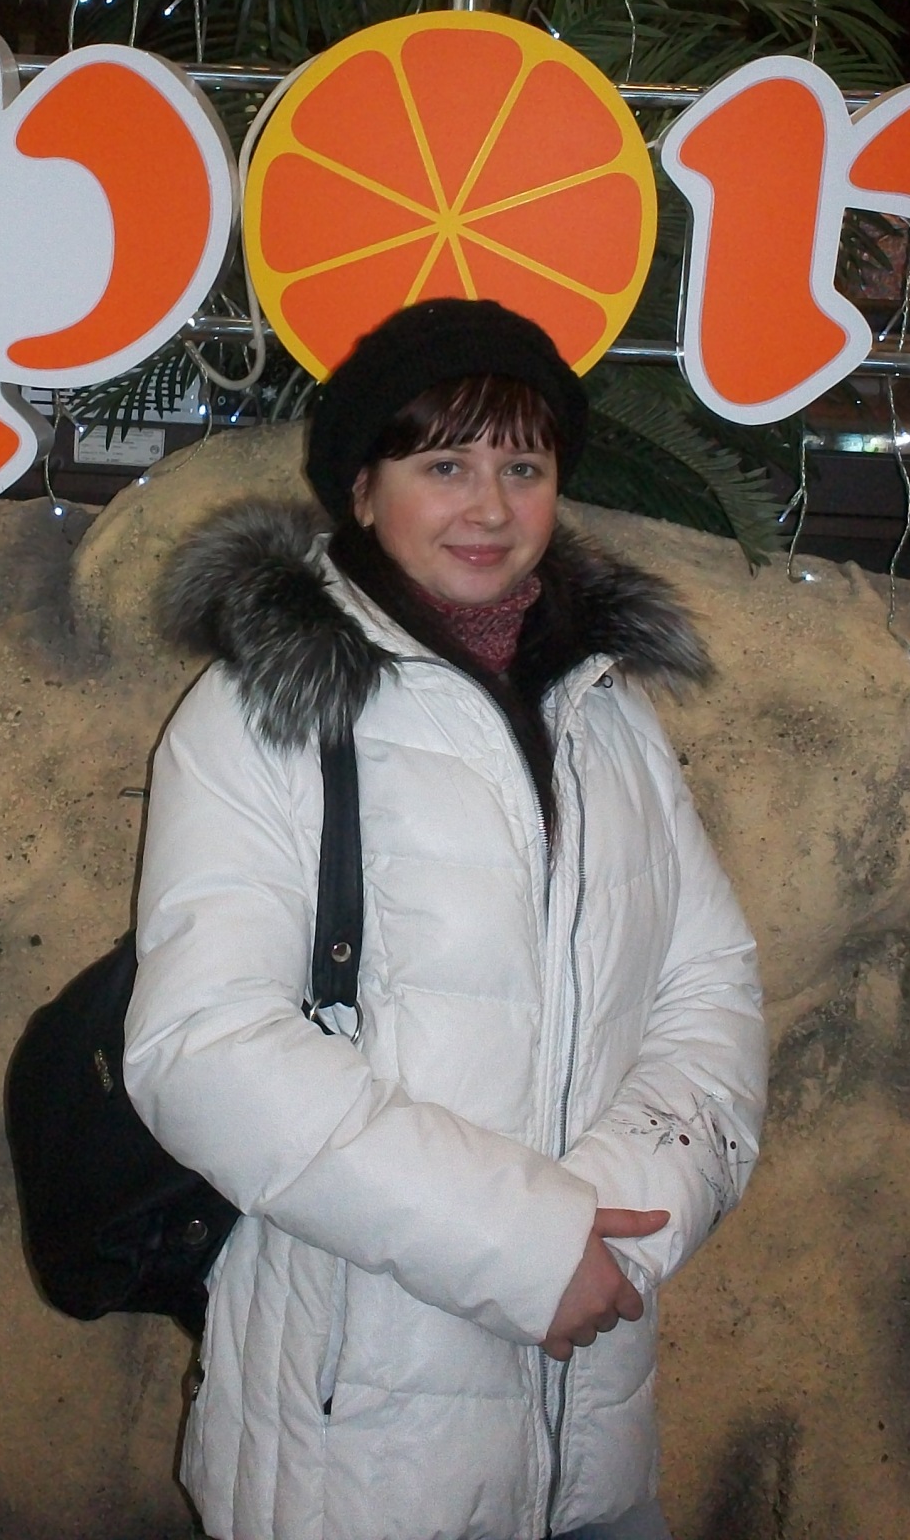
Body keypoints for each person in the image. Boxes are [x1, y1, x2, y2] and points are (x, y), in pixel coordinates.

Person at [124, 298, 766, 1540]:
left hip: (594, 1429)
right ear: (363, 490)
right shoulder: (263, 710)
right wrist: (526, 1246)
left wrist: (618, 1229)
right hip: (356, 1449)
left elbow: (710, 989)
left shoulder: (607, 713)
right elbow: (203, 1047)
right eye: (444, 464)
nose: (489, 506)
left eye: (523, 466)